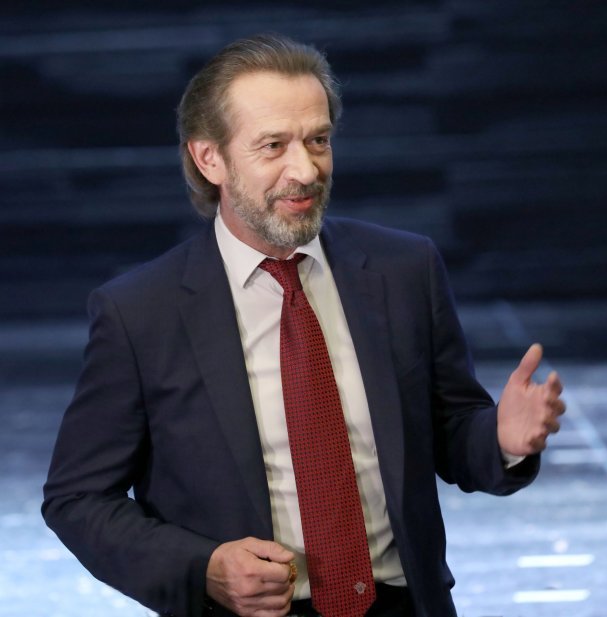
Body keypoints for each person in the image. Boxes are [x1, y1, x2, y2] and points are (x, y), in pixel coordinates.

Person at [42, 33, 565, 617]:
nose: (306, 168)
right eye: (273, 146)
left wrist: (500, 439)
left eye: (318, 140)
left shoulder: (403, 270)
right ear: (210, 158)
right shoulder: (141, 312)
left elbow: (452, 431)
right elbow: (78, 498)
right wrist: (204, 568)